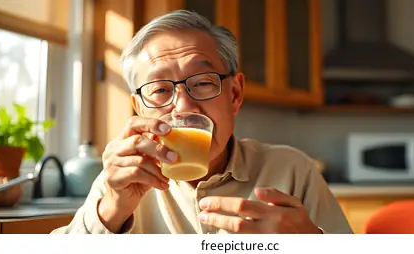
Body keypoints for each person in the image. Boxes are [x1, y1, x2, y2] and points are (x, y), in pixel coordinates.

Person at [51, 10, 352, 234]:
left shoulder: (291, 170)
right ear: (139, 108)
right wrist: (112, 209)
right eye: (159, 90)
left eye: (204, 82)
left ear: (235, 94)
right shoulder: (122, 179)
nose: (183, 106)